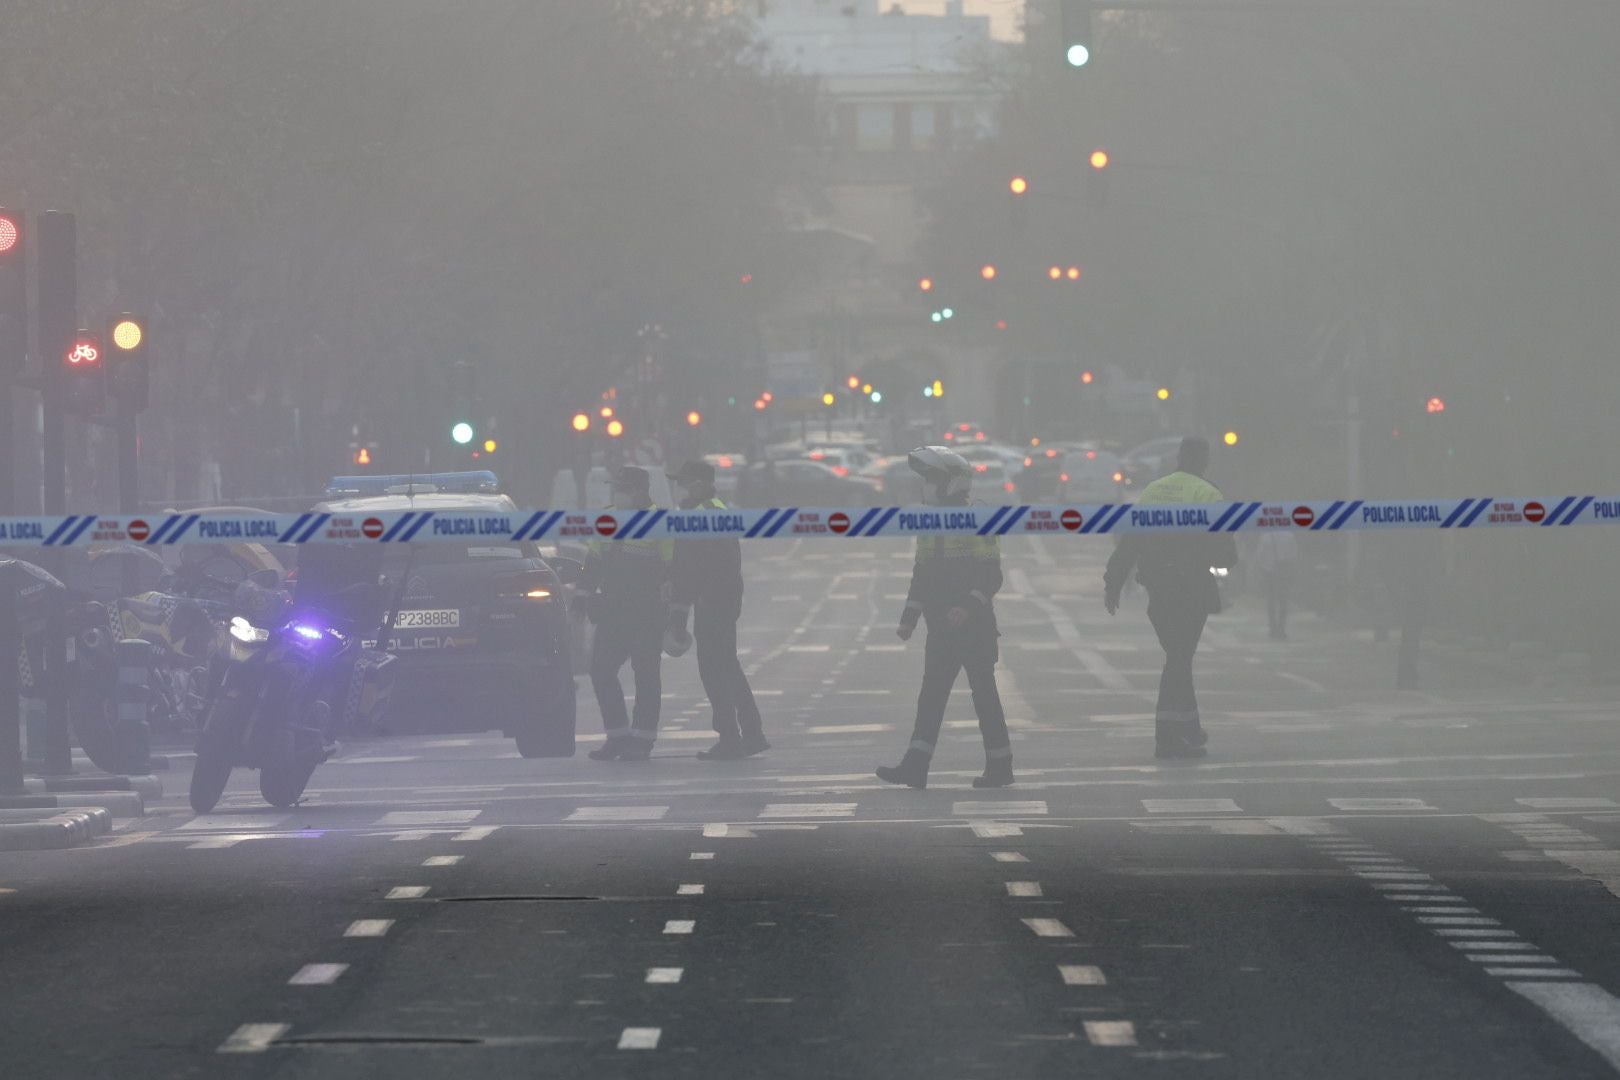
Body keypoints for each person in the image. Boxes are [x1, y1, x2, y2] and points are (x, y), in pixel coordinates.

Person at [876, 447, 1014, 790]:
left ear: (953, 483)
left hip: (975, 628)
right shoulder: (929, 521)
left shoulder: (978, 519)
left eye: (933, 479)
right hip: (940, 627)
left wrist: (967, 606)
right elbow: (921, 573)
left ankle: (1001, 766)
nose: (927, 486)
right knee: (931, 696)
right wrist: (909, 617)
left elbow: (991, 574)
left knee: (984, 695)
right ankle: (915, 766)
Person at [1103, 437, 1237, 759]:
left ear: (1179, 458)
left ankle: (1189, 728)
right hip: (1191, 589)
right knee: (1179, 659)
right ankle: (1167, 737)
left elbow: (1131, 540)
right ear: (1204, 460)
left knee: (1179, 657)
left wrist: (1114, 581)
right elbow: (1225, 549)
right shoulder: (1208, 494)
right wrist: (1220, 563)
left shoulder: (1153, 491)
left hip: (1158, 589)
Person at [665, 459, 768, 760]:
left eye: (683, 483)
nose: (679, 489)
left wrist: (683, 610)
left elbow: (702, 566)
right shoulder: (706, 511)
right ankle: (749, 733)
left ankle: (733, 737)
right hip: (716, 602)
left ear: (698, 483)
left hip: (714, 604)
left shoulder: (706, 513)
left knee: (715, 670)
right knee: (726, 667)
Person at [581, 466, 672, 762]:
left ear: (638, 491)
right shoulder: (606, 517)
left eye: (621, 489)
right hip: (612, 611)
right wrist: (585, 596)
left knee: (646, 675)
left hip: (647, 612)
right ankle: (618, 736)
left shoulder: (660, 522)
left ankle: (642, 740)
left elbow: (672, 570)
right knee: (601, 670)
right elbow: (593, 562)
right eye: (614, 488)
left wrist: (675, 612)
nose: (616, 494)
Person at [1252, 530, 1300, 640]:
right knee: (1283, 601)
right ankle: (1281, 629)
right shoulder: (1290, 536)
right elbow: (1294, 555)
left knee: (1271, 601)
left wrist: (1262, 568)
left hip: (1269, 572)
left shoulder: (1265, 537)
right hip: (1284, 572)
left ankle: (1273, 628)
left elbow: (1259, 556)